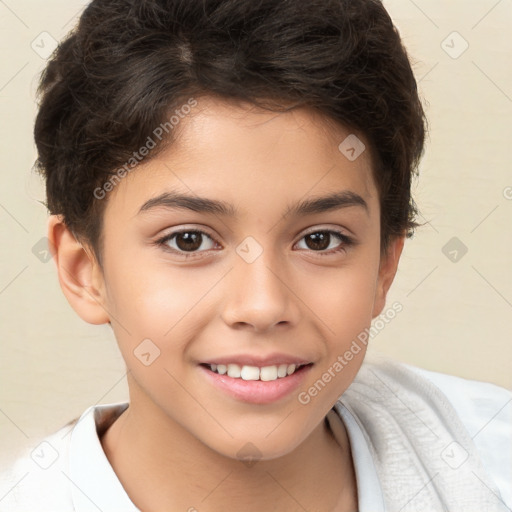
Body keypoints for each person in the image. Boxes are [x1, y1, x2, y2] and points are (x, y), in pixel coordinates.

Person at [1, 0, 510, 510]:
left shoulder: (489, 460)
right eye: (189, 240)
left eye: (320, 239)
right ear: (84, 270)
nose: (263, 306)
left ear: (384, 265)